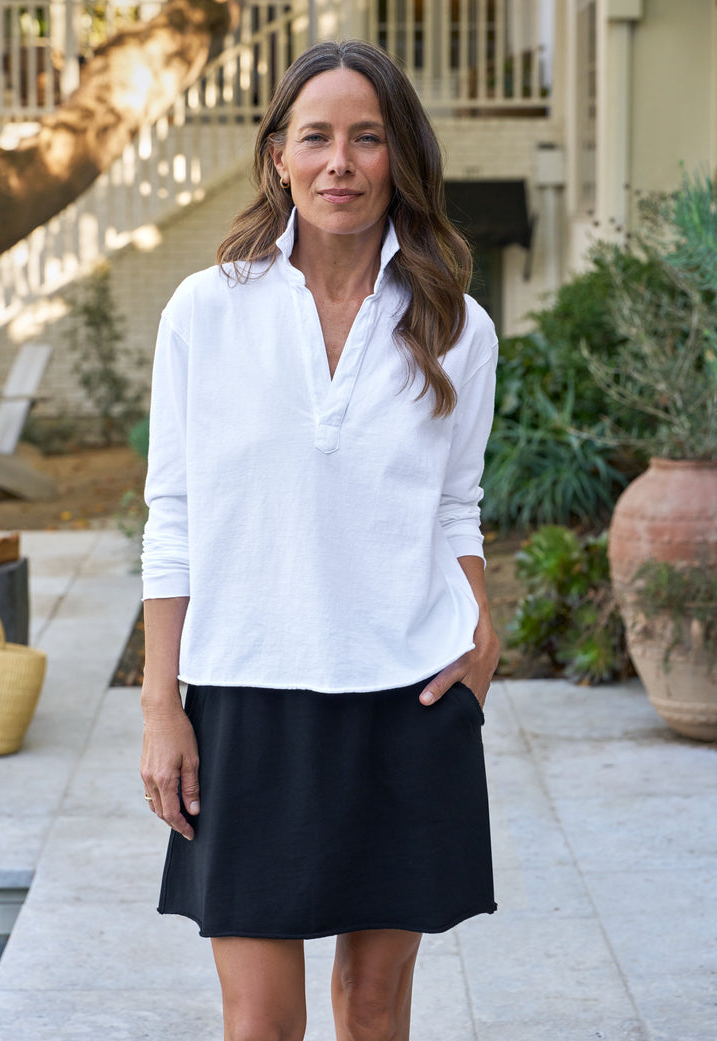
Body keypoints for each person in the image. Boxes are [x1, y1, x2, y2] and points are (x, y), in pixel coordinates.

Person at [140, 38, 499, 1041]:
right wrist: (161, 707)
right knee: (260, 1021)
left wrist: (480, 627)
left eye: (366, 138)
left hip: (403, 697)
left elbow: (452, 502)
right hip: (245, 698)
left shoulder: (456, 328)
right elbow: (170, 516)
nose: (339, 162)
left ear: (399, 158)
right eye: (316, 137)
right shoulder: (204, 314)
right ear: (278, 157)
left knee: (373, 1007)